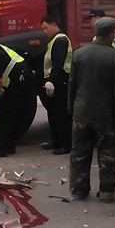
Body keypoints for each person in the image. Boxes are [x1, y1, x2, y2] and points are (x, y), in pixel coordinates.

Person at [68, 17, 115, 203]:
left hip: (82, 114)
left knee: (79, 155)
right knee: (107, 156)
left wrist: (71, 110)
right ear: (110, 34)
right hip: (105, 116)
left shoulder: (79, 54)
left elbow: (72, 86)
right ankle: (107, 192)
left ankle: (79, 190)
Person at [39, 16, 73, 155]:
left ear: (54, 25)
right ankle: (56, 141)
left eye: (46, 28)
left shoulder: (60, 40)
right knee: (53, 113)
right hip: (55, 82)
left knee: (61, 115)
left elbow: (58, 64)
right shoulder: (54, 41)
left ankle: (65, 145)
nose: (44, 32)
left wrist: (51, 81)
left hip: (60, 82)